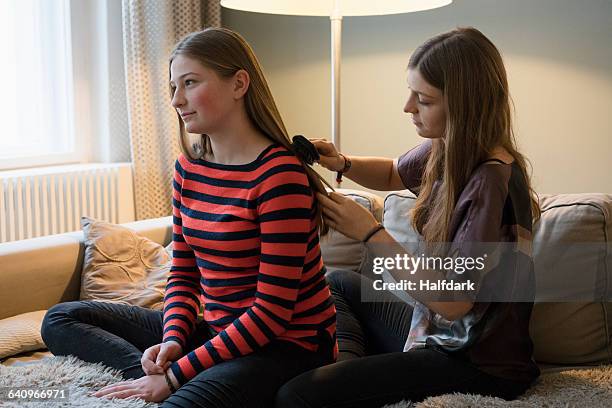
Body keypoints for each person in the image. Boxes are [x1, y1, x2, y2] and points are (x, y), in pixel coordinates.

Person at [41, 27, 337, 407]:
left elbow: (271, 314)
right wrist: (173, 342)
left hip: (286, 347)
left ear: (239, 84)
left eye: (190, 83)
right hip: (217, 333)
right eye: (173, 87)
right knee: (62, 319)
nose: (177, 99)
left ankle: (179, 385)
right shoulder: (188, 169)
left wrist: (180, 372)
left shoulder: (280, 176)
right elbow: (183, 272)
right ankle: (164, 380)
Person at [275, 26, 541, 407]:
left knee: (296, 395)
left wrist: (369, 234)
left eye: (424, 99)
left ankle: (342, 381)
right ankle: (347, 370)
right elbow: (391, 173)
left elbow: (453, 302)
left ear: (464, 105)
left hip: (479, 362)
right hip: (442, 333)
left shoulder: (490, 182)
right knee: (340, 283)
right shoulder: (448, 148)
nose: (407, 107)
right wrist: (342, 162)